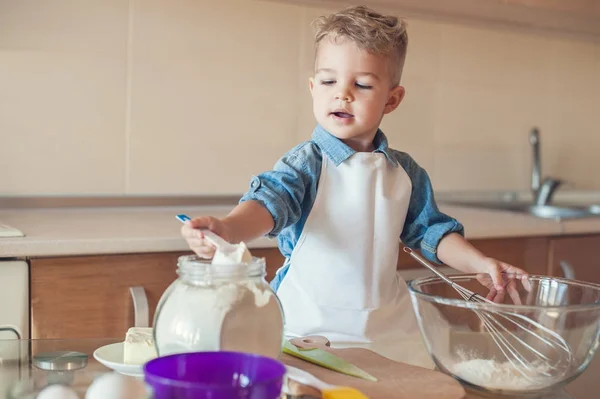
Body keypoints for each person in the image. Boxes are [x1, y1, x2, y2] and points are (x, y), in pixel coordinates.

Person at [181, 5, 529, 351]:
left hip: (389, 330)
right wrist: (228, 230)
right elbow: (270, 203)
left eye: (362, 84)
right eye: (329, 80)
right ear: (313, 88)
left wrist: (479, 263)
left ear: (391, 100)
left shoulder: (406, 173)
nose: (342, 93)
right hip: (307, 328)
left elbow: (432, 234)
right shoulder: (306, 163)